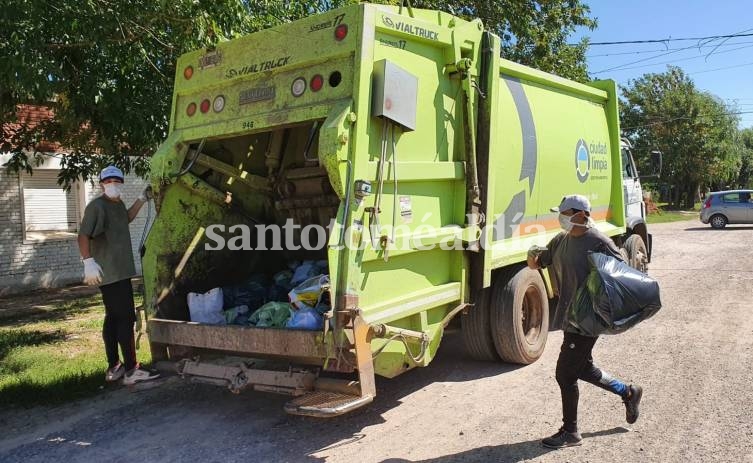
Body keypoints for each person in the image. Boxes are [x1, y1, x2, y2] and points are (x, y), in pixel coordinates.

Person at [527, 194, 643, 449]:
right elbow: (538, 263)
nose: (561, 218)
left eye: (565, 213)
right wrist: (532, 257)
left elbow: (622, 276)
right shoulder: (561, 240)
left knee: (564, 374)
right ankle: (628, 391)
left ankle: (570, 432)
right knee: (582, 368)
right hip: (569, 316)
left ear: (581, 215)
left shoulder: (599, 242)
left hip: (588, 320)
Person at [78, 166, 160, 386]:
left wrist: (142, 199)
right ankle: (132, 369)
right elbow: (83, 235)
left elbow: (126, 219)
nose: (112, 184)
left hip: (120, 272)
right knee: (126, 318)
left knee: (113, 318)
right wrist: (88, 262)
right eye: (108, 181)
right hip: (110, 273)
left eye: (116, 181)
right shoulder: (97, 207)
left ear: (121, 183)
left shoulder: (118, 205)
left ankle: (115, 367)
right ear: (101, 183)